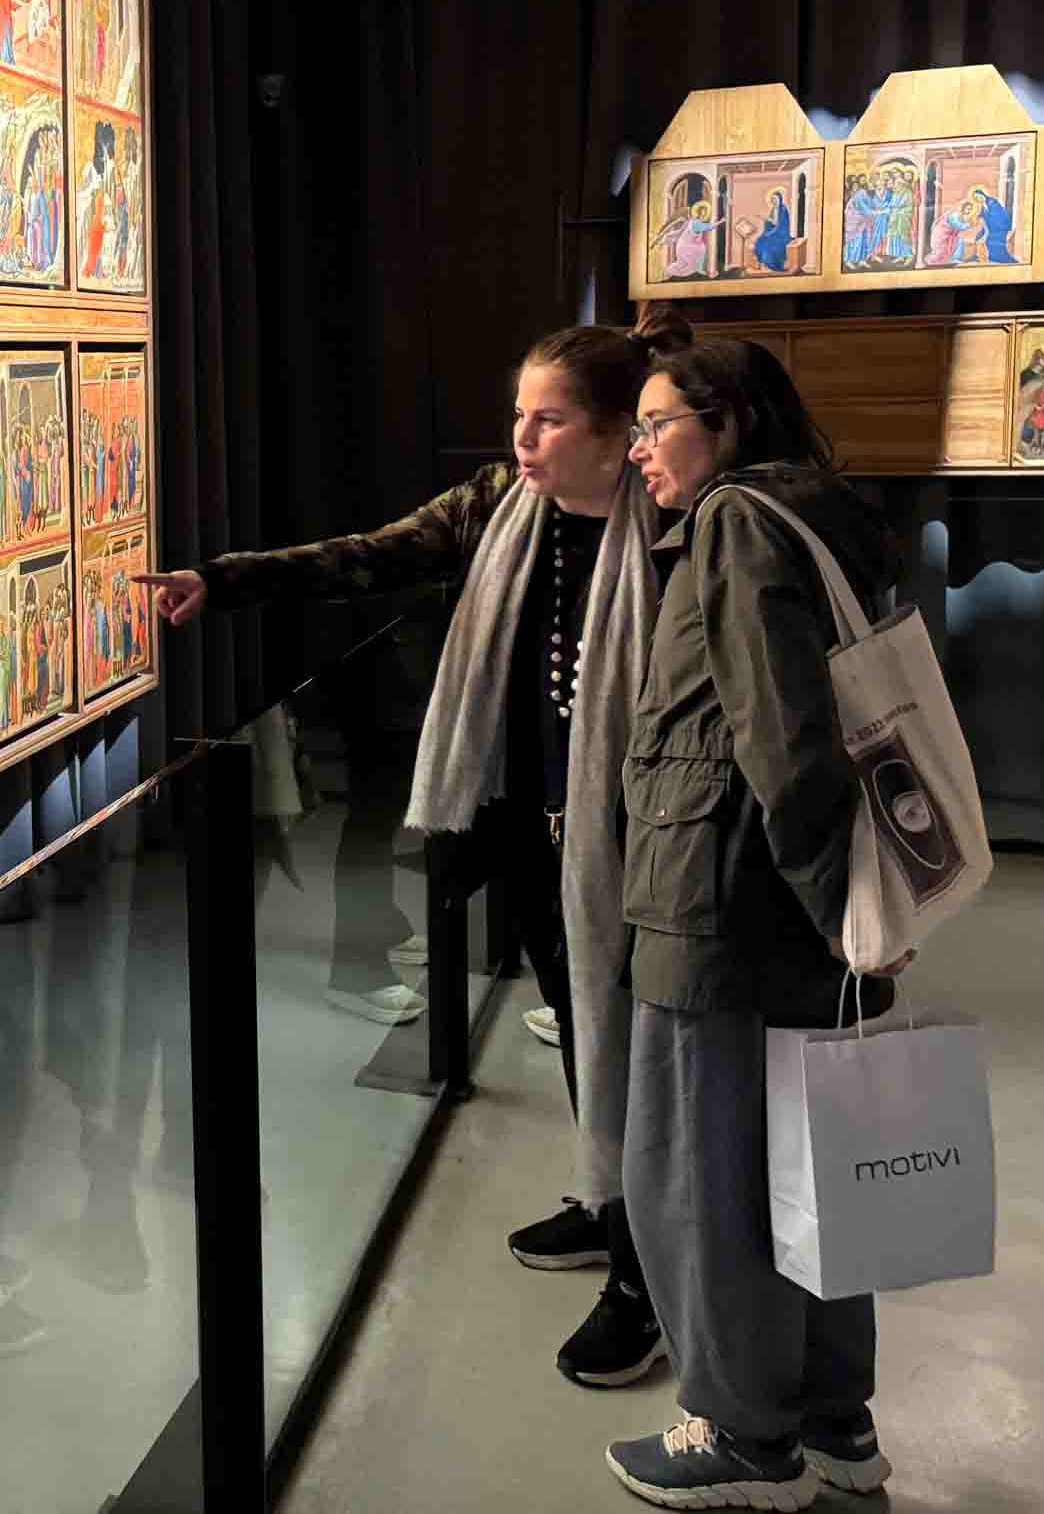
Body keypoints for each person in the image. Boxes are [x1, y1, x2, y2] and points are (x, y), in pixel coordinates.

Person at [136, 319, 680, 1390]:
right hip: (533, 826)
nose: (521, 438)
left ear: (619, 434)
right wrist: (221, 579)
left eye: (549, 420)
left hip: (642, 843)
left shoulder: (673, 527)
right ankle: (607, 1197)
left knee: (640, 1048)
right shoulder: (500, 506)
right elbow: (372, 555)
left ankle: (646, 1278)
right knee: (583, 1027)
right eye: (517, 414)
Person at [605, 335, 911, 1509]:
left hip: (716, 900)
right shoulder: (821, 514)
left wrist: (840, 902)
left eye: (658, 425)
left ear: (728, 422)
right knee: (811, 1164)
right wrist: (849, 906)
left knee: (701, 1177)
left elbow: (781, 733)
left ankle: (742, 1432)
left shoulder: (734, 523)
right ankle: (833, 1419)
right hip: (792, 906)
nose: (639, 451)